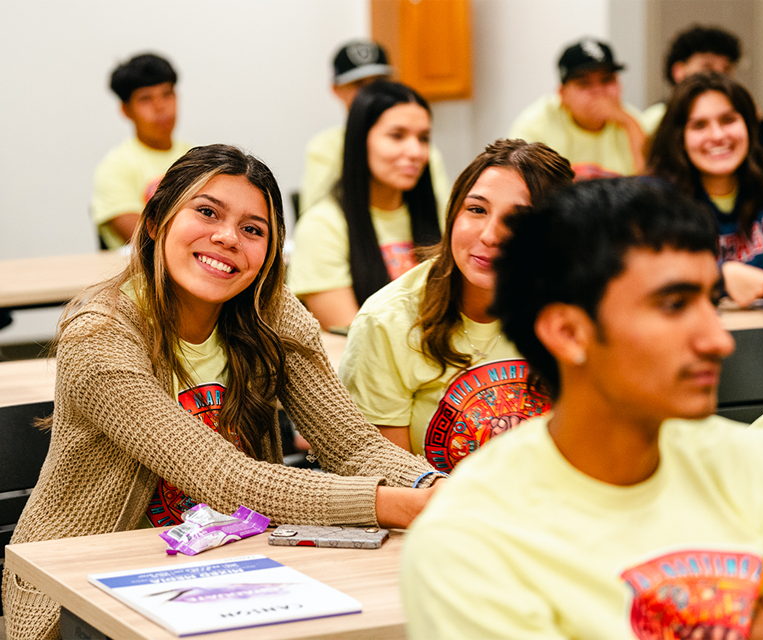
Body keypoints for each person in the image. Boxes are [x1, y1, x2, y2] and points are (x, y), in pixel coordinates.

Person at [2, 145, 444, 640]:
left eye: (254, 229)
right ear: (155, 222)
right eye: (207, 212)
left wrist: (434, 486)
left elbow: (354, 445)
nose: (228, 237)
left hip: (231, 569)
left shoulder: (273, 316)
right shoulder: (101, 335)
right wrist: (399, 505)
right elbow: (228, 480)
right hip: (79, 595)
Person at [401, 177, 763, 639]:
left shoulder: (747, 463)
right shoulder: (470, 539)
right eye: (674, 305)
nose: (718, 340)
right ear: (570, 333)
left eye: (711, 302)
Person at [339, 139, 573, 470]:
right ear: (453, 214)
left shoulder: (580, 307)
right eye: (476, 210)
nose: (490, 235)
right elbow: (390, 476)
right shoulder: (389, 321)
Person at [289, 81, 443, 331]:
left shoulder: (437, 217)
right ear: (359, 141)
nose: (415, 151)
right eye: (397, 135)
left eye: (423, 138)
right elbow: (351, 334)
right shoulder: (322, 226)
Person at [647, 72, 763, 307]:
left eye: (728, 120)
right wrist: (720, 277)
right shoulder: (653, 198)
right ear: (679, 136)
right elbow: (636, 274)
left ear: (749, 125)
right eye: (699, 125)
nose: (717, 136)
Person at [299, 39, 450, 215]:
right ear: (336, 90)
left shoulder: (421, 150)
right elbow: (314, 218)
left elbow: (442, 216)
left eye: (379, 81)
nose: (370, 91)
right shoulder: (324, 147)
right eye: (358, 84)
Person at [92, 52, 193, 249]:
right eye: (146, 99)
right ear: (125, 110)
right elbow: (145, 240)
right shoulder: (115, 167)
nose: (160, 106)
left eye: (167, 94)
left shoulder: (196, 156)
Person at [508, 37, 648, 180]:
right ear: (562, 94)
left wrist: (630, 124)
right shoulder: (535, 125)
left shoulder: (633, 121)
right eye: (584, 83)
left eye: (607, 80)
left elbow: (651, 187)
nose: (598, 91)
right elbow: (519, 185)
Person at [640, 25, 744, 133]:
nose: (719, 76)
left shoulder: (738, 115)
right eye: (707, 67)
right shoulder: (656, 119)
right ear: (678, 71)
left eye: (726, 70)